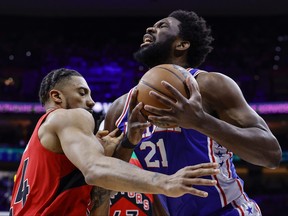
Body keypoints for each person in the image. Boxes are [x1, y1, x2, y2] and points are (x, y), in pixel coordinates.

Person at [103, 10, 282, 215]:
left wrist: (201, 122)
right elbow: (104, 177)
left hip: (228, 210)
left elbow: (271, 154)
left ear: (182, 44)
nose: (150, 28)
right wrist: (128, 142)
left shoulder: (209, 85)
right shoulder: (120, 107)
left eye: (162, 26)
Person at [9, 68, 219, 216]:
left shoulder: (39, 144)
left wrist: (126, 143)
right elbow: (95, 169)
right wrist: (165, 182)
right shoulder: (69, 115)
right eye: (82, 93)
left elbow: (97, 191)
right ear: (57, 97)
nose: (91, 101)